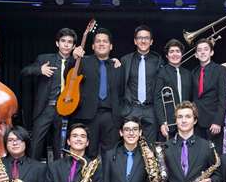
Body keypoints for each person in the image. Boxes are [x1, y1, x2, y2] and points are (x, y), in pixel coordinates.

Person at [21, 28, 78, 160]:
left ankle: (59, 172)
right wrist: (39, 70)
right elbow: (24, 71)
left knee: (60, 147)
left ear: (74, 46)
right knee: (36, 144)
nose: (66, 44)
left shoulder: (76, 62)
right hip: (45, 108)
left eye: (70, 42)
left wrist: (114, 61)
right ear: (57, 43)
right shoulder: (44, 58)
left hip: (66, 109)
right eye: (63, 41)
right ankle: (32, 171)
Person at [71, 28, 124, 158]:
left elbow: (121, 92)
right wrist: (74, 58)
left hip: (111, 117)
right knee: (89, 154)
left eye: (105, 41)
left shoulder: (117, 66)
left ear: (111, 46)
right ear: (93, 46)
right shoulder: (83, 61)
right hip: (88, 116)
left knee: (111, 155)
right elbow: (70, 77)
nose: (101, 43)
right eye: (98, 41)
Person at [119, 25, 163, 142]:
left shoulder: (158, 60)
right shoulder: (125, 60)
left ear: (151, 41)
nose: (143, 41)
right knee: (129, 143)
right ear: (135, 41)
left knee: (150, 146)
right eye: (140, 38)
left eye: (146, 38)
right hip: (131, 108)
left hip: (151, 109)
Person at [191, 39, 226, 154]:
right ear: (196, 55)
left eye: (206, 49)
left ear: (211, 52)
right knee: (198, 156)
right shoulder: (193, 72)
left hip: (213, 123)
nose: (202, 52)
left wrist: (218, 121)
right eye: (199, 50)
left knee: (214, 157)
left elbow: (223, 98)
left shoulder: (221, 70)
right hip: (197, 123)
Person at [154, 39, 193, 140]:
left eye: (177, 51)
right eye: (171, 52)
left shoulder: (188, 74)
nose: (175, 54)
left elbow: (191, 98)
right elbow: (157, 99)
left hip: (186, 121)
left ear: (182, 54)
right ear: (167, 56)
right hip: (169, 123)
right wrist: (162, 122)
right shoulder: (161, 73)